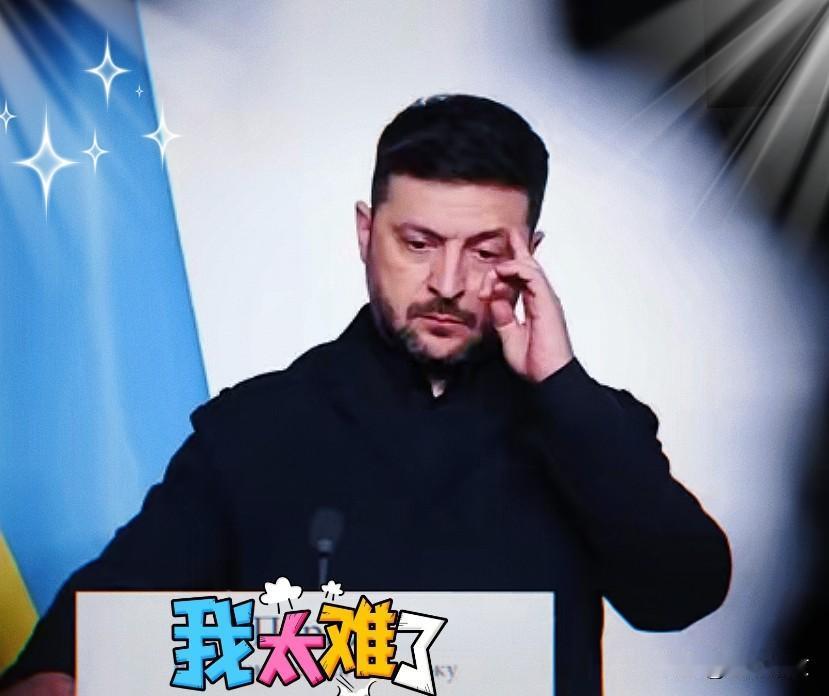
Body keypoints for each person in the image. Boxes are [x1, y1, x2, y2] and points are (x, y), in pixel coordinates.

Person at [0, 94, 731, 696]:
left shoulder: (589, 426)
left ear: (528, 257)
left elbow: (681, 595)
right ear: (365, 232)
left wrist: (559, 385)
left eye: (484, 252)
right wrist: (56, 672)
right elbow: (103, 620)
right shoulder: (254, 428)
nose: (447, 283)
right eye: (418, 244)